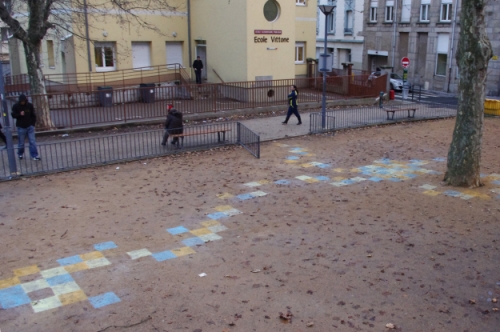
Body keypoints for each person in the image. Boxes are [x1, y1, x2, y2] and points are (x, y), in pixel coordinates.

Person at [11, 94, 40, 160]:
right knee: (21, 143)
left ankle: (34, 155)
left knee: (32, 142)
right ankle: (20, 154)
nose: (23, 102)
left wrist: (32, 124)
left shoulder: (29, 106)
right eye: (22, 101)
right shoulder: (16, 106)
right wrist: (19, 115)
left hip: (29, 126)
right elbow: (13, 115)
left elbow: (33, 115)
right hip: (21, 126)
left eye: (24, 101)